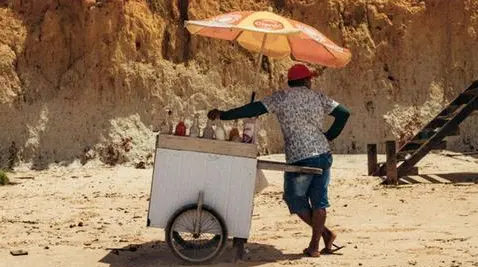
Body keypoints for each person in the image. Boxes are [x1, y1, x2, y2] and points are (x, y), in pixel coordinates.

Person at [208, 63, 350, 257]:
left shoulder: (281, 98)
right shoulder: (318, 97)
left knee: (294, 199)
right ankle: (317, 244)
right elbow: (343, 113)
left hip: (300, 157)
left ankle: (324, 235)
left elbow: (253, 109)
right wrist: (329, 136)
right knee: (320, 202)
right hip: (323, 154)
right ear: (306, 81)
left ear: (290, 81)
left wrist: (224, 115)